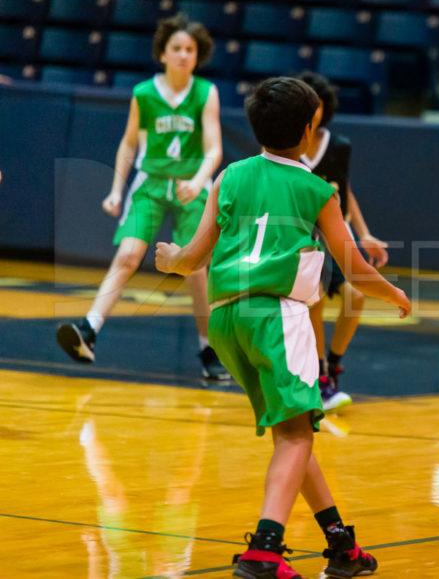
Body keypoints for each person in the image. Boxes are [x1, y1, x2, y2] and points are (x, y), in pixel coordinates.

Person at [155, 76, 410, 579]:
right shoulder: (317, 188)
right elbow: (356, 269)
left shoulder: (228, 177)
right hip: (277, 314)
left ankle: (341, 544)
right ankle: (266, 549)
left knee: (293, 430)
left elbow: (192, 260)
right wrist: (395, 293)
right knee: (295, 436)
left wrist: (169, 260)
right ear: (312, 128)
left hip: (228, 319)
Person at [56, 13, 229, 382]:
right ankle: (89, 330)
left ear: (197, 56)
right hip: (151, 182)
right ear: (163, 54)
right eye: (177, 48)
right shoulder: (144, 94)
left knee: (196, 271)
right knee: (128, 256)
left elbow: (214, 149)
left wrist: (200, 181)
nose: (183, 55)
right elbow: (129, 143)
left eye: (190, 49)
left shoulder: (206, 93)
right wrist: (116, 189)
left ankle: (208, 348)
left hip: (190, 185)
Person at [296, 71, 389, 412]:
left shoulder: (338, 146)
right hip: (301, 234)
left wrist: (364, 233)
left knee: (356, 294)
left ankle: (334, 363)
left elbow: (344, 191)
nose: (313, 111)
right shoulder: (287, 146)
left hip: (334, 231)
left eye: (317, 105)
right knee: (314, 297)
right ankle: (318, 373)